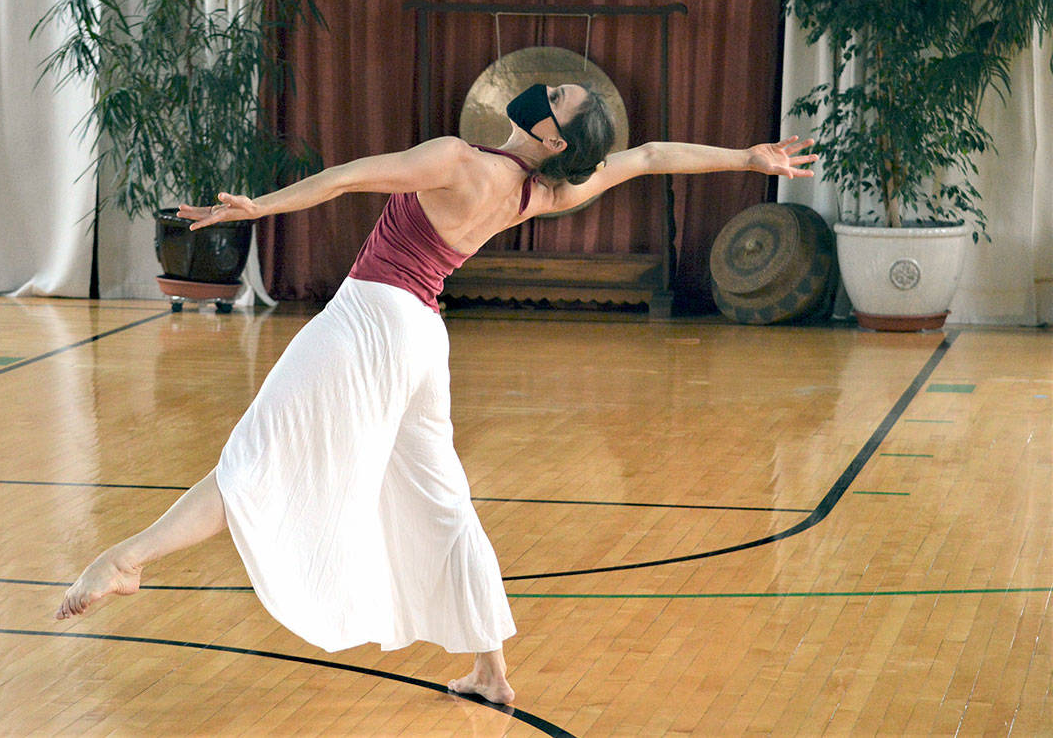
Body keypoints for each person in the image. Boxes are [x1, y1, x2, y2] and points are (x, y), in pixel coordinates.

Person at [55, 83, 817, 705]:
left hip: (369, 320)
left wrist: (259, 207)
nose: (546, 87)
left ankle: (127, 557)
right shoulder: (542, 193)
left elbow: (348, 176)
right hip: (420, 336)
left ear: (553, 137)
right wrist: (746, 157)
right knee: (442, 500)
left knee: (258, 456)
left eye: (556, 95)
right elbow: (648, 157)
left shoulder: (458, 158)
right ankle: (491, 670)